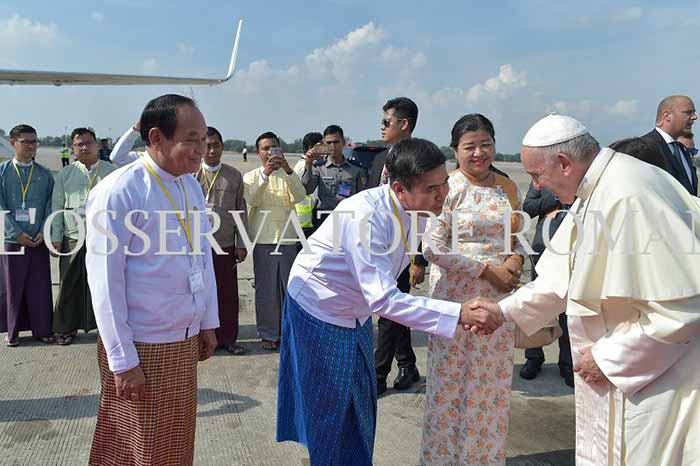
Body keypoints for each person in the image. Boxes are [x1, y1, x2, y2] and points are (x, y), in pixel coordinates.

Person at [471, 114, 700, 466]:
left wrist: (609, 359)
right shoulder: (596, 188)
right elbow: (560, 274)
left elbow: (683, 307)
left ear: (564, 163)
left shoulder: (629, 194)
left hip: (652, 378)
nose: (537, 186)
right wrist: (502, 311)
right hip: (620, 372)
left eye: (537, 175)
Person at [276, 138, 505, 465]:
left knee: (360, 400)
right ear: (399, 188)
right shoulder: (366, 217)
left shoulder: (420, 207)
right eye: (432, 188)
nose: (442, 194)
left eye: (444, 183)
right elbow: (384, 300)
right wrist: (457, 313)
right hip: (320, 308)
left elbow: (423, 253)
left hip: (355, 308)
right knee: (329, 406)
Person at [85, 94, 219, 466]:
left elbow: (202, 257)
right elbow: (105, 284)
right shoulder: (119, 191)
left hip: (184, 339)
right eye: (192, 140)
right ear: (157, 137)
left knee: (174, 443)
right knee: (134, 444)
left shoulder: (190, 185)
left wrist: (207, 322)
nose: (201, 149)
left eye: (204, 139)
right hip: (143, 345)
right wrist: (123, 361)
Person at [420, 115, 525, 465]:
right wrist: (487, 271)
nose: (479, 153)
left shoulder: (507, 187)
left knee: (489, 387)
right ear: (455, 151)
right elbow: (432, 248)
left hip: (497, 304)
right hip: (455, 301)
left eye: (486, 145)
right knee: (449, 386)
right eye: (470, 147)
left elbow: (518, 237)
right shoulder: (445, 188)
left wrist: (514, 262)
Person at [366, 97, 427, 394]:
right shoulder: (380, 159)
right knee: (396, 310)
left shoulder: (420, 160)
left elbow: (426, 212)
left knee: (389, 311)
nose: (381, 127)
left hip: (404, 249)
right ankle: (407, 364)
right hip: (377, 245)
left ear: (404, 124)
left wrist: (419, 259)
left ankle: (378, 375)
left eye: (386, 122)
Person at [50, 127, 117, 345]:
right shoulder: (65, 174)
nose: (85, 148)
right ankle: (65, 328)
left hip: (104, 238)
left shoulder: (111, 171)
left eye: (89, 143)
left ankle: (106, 330)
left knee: (105, 285)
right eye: (80, 144)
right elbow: (57, 206)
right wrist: (56, 236)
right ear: (73, 148)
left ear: (97, 145)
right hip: (73, 236)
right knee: (68, 283)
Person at [243, 131, 306, 351]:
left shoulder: (289, 174)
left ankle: (289, 332)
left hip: (288, 239)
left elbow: (300, 196)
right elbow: (252, 199)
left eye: (274, 148)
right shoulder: (251, 176)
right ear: (257, 152)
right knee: (266, 291)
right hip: (264, 240)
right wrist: (266, 174)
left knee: (290, 290)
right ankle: (268, 333)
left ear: (282, 150)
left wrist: (288, 170)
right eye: (265, 149)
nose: (270, 153)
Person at [0, 124, 55, 347]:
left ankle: (42, 330)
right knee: (12, 287)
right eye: (26, 142)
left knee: (39, 286)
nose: (32, 146)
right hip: (12, 239)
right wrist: (16, 232)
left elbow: (51, 206)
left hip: (38, 239)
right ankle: (12, 332)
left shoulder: (44, 174)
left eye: (35, 141)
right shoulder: (2, 172)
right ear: (13, 143)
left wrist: (43, 230)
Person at [195, 126, 248, 355]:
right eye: (207, 145)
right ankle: (201, 340)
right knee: (200, 293)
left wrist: (242, 243)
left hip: (225, 244)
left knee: (227, 294)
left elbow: (241, 211)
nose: (212, 150)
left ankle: (228, 338)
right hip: (198, 246)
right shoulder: (190, 175)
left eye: (216, 145)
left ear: (222, 147)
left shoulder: (233, 175)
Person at [519, 183, 573, 387]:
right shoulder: (543, 178)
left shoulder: (581, 179)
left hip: (573, 252)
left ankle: (567, 363)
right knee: (537, 306)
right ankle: (533, 357)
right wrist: (557, 196)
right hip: (543, 250)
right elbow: (528, 208)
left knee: (569, 311)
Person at [300, 124, 364, 228]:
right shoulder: (319, 167)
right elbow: (307, 190)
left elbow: (362, 196)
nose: (333, 146)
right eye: (329, 143)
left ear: (343, 142)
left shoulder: (355, 169)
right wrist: (308, 164)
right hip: (324, 217)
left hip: (348, 218)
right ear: (324, 144)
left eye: (336, 142)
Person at [642, 95, 698, 195]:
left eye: (694, 112)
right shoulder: (645, 147)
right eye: (688, 112)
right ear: (667, 116)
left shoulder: (682, 150)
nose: (695, 117)